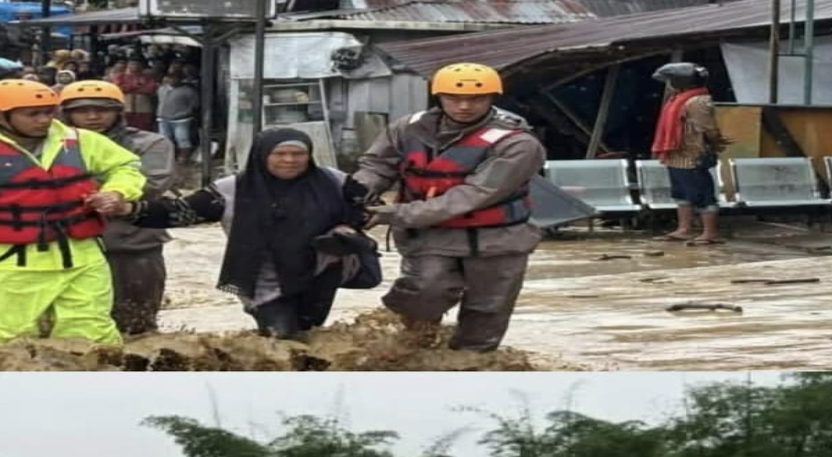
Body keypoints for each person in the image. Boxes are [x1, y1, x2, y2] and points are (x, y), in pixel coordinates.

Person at [0, 79, 145, 347]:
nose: (44, 119)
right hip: (15, 260)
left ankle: (93, 381)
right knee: (14, 335)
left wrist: (118, 192)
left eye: (48, 111)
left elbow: (127, 166)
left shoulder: (79, 141)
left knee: (94, 331)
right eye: (33, 113)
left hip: (82, 255)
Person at [353, 62, 546, 352]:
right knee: (422, 293)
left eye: (476, 99)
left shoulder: (517, 143)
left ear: (492, 98)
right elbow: (377, 166)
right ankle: (410, 354)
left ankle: (470, 367)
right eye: (454, 98)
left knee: (487, 311)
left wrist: (394, 215)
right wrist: (357, 196)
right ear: (439, 97)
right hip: (430, 235)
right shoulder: (407, 129)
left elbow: (472, 195)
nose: (464, 106)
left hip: (498, 240)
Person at [122, 128, 376, 340]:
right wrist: (130, 209)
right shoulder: (232, 190)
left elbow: (368, 208)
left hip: (321, 273)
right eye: (280, 154)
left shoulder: (333, 181)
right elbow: (180, 212)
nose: (289, 160)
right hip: (264, 282)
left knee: (309, 335)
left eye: (298, 154)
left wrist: (350, 227)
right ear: (262, 155)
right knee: (281, 338)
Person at [59, 80, 175, 335]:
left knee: (136, 326)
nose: (93, 116)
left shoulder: (150, 143)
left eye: (103, 109)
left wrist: (76, 185)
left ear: (118, 112)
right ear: (66, 115)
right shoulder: (48, 146)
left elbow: (151, 183)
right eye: (82, 110)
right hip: (65, 246)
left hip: (131, 246)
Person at [651, 62, 726, 245]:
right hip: (676, 154)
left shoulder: (697, 101)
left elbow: (708, 128)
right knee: (681, 193)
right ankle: (684, 229)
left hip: (693, 154)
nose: (668, 83)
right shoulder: (678, 98)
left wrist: (714, 143)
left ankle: (710, 233)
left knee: (702, 194)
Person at [156, 73, 199, 166]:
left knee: (182, 139)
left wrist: (187, 112)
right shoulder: (162, 89)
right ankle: (168, 158)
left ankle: (183, 158)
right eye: (170, 78)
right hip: (163, 118)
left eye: (174, 78)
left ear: (180, 79)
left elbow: (195, 104)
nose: (172, 80)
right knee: (164, 139)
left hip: (181, 119)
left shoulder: (188, 91)